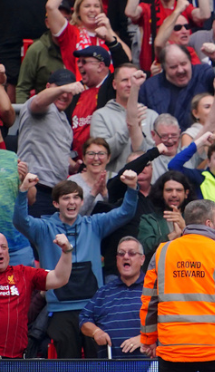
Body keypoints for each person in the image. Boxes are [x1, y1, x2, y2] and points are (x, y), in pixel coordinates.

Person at [13, 171, 140, 358]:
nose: (71, 202)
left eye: (76, 198)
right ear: (56, 203)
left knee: (97, 364)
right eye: (66, 198)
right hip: (60, 311)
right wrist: (23, 191)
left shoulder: (94, 224)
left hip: (93, 309)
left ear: (82, 202)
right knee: (68, 365)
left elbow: (125, 212)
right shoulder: (43, 228)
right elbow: (20, 221)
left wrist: (132, 188)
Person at [140, 199, 215, 370]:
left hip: (174, 350)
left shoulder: (162, 253)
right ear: (209, 223)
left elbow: (149, 302)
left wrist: (149, 339)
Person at [16, 69, 82, 217]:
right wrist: (65, 88)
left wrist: (73, 165)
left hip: (56, 193)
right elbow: (39, 101)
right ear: (47, 87)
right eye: (60, 89)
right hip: (35, 188)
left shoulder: (64, 119)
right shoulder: (40, 105)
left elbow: (58, 152)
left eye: (69, 91)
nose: (65, 95)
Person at [0, 231, 72, 359]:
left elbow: (59, 278)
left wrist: (66, 251)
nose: (0, 251)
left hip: (16, 360)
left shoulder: (23, 273)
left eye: (3, 247)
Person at [79, 236, 146, 359]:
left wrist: (146, 338)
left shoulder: (154, 289)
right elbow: (84, 319)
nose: (126, 257)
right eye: (121, 254)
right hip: (110, 365)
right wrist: (96, 332)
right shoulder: (104, 292)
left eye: (132, 253)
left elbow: (171, 323)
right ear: (116, 259)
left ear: (142, 259)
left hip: (149, 365)